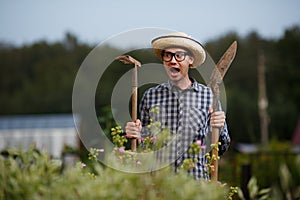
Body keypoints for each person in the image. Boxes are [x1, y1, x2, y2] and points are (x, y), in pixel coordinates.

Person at [125, 32, 230, 180]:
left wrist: (219, 126)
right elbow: (146, 148)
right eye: (168, 55)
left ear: (190, 60)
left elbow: (221, 147)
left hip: (196, 186)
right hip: (161, 186)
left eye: (179, 55)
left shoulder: (209, 96)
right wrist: (136, 135)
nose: (173, 61)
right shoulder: (151, 96)